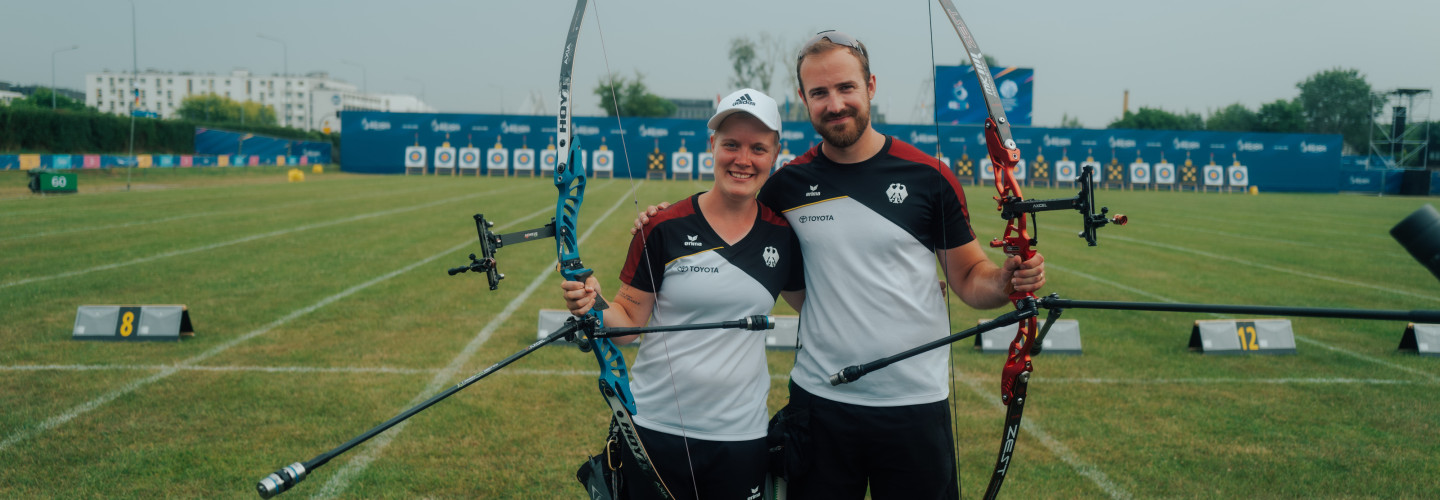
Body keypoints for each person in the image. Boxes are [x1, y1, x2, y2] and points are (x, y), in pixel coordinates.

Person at [632, 30, 1046, 499]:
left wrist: (1007, 279)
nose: (835, 104)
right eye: (819, 93)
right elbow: (726, 218)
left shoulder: (928, 177)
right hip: (820, 405)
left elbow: (971, 279)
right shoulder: (787, 185)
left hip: (914, 405)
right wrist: (658, 220)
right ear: (805, 100)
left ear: (870, 86)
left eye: (846, 87)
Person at [561, 88, 805, 500]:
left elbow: (822, 308)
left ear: (775, 154)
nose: (742, 159)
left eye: (758, 148)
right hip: (656, 430)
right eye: (731, 144)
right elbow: (626, 328)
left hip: (740, 435)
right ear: (712, 145)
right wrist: (593, 302)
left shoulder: (783, 236)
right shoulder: (663, 227)